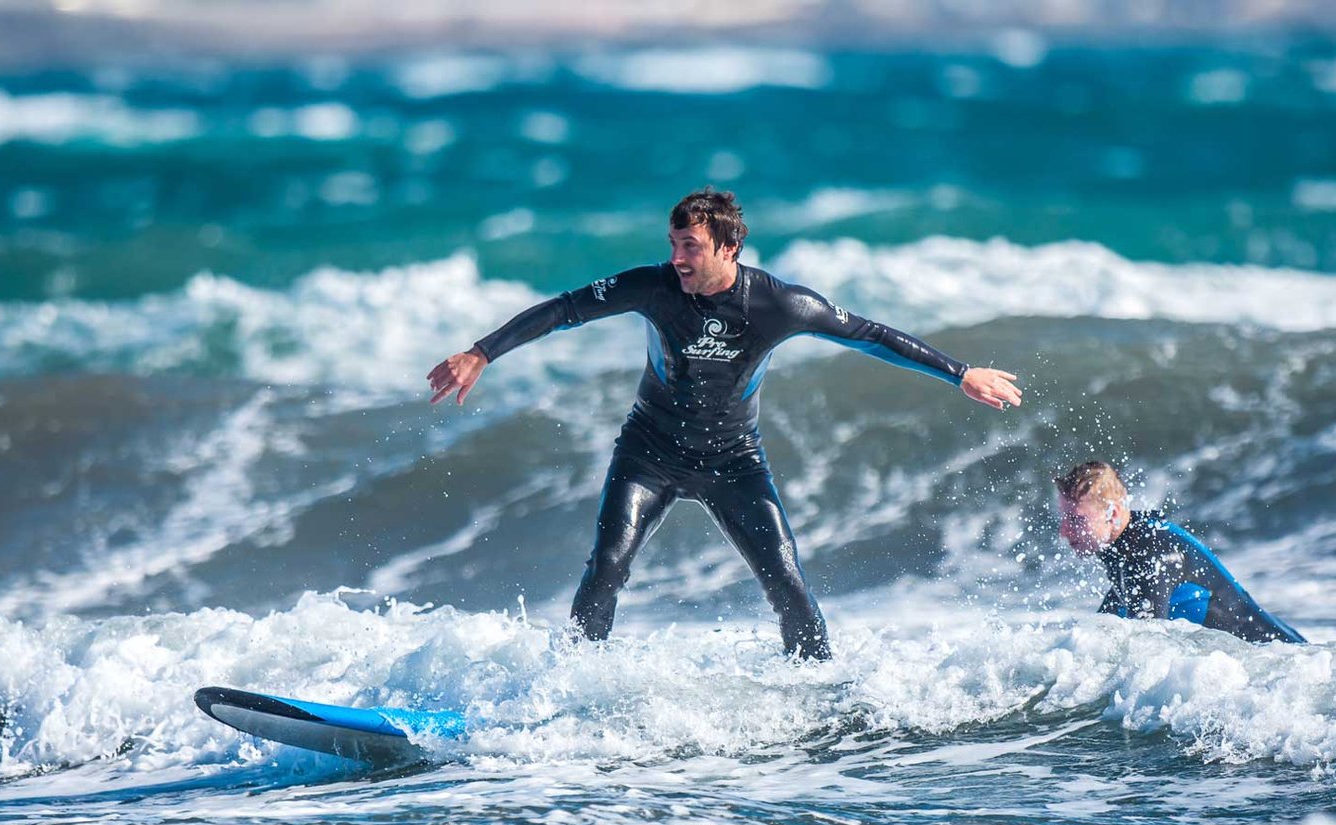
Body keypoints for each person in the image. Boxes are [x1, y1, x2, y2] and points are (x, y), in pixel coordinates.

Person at [427, 188, 1022, 659]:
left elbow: (869, 335)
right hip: (650, 451)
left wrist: (959, 372)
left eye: (690, 246)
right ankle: (564, 690)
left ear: (727, 249)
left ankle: (820, 692)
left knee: (787, 583)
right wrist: (482, 352)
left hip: (733, 460)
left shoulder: (779, 304)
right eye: (673, 244)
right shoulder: (653, 288)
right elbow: (563, 309)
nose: (677, 258)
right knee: (605, 568)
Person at [1055, 461, 1305, 644]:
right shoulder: (1127, 546)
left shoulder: (1150, 557)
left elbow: (1147, 648)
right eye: (1064, 519)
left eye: (1076, 520)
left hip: (1279, 656)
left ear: (1114, 514)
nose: (1065, 531)